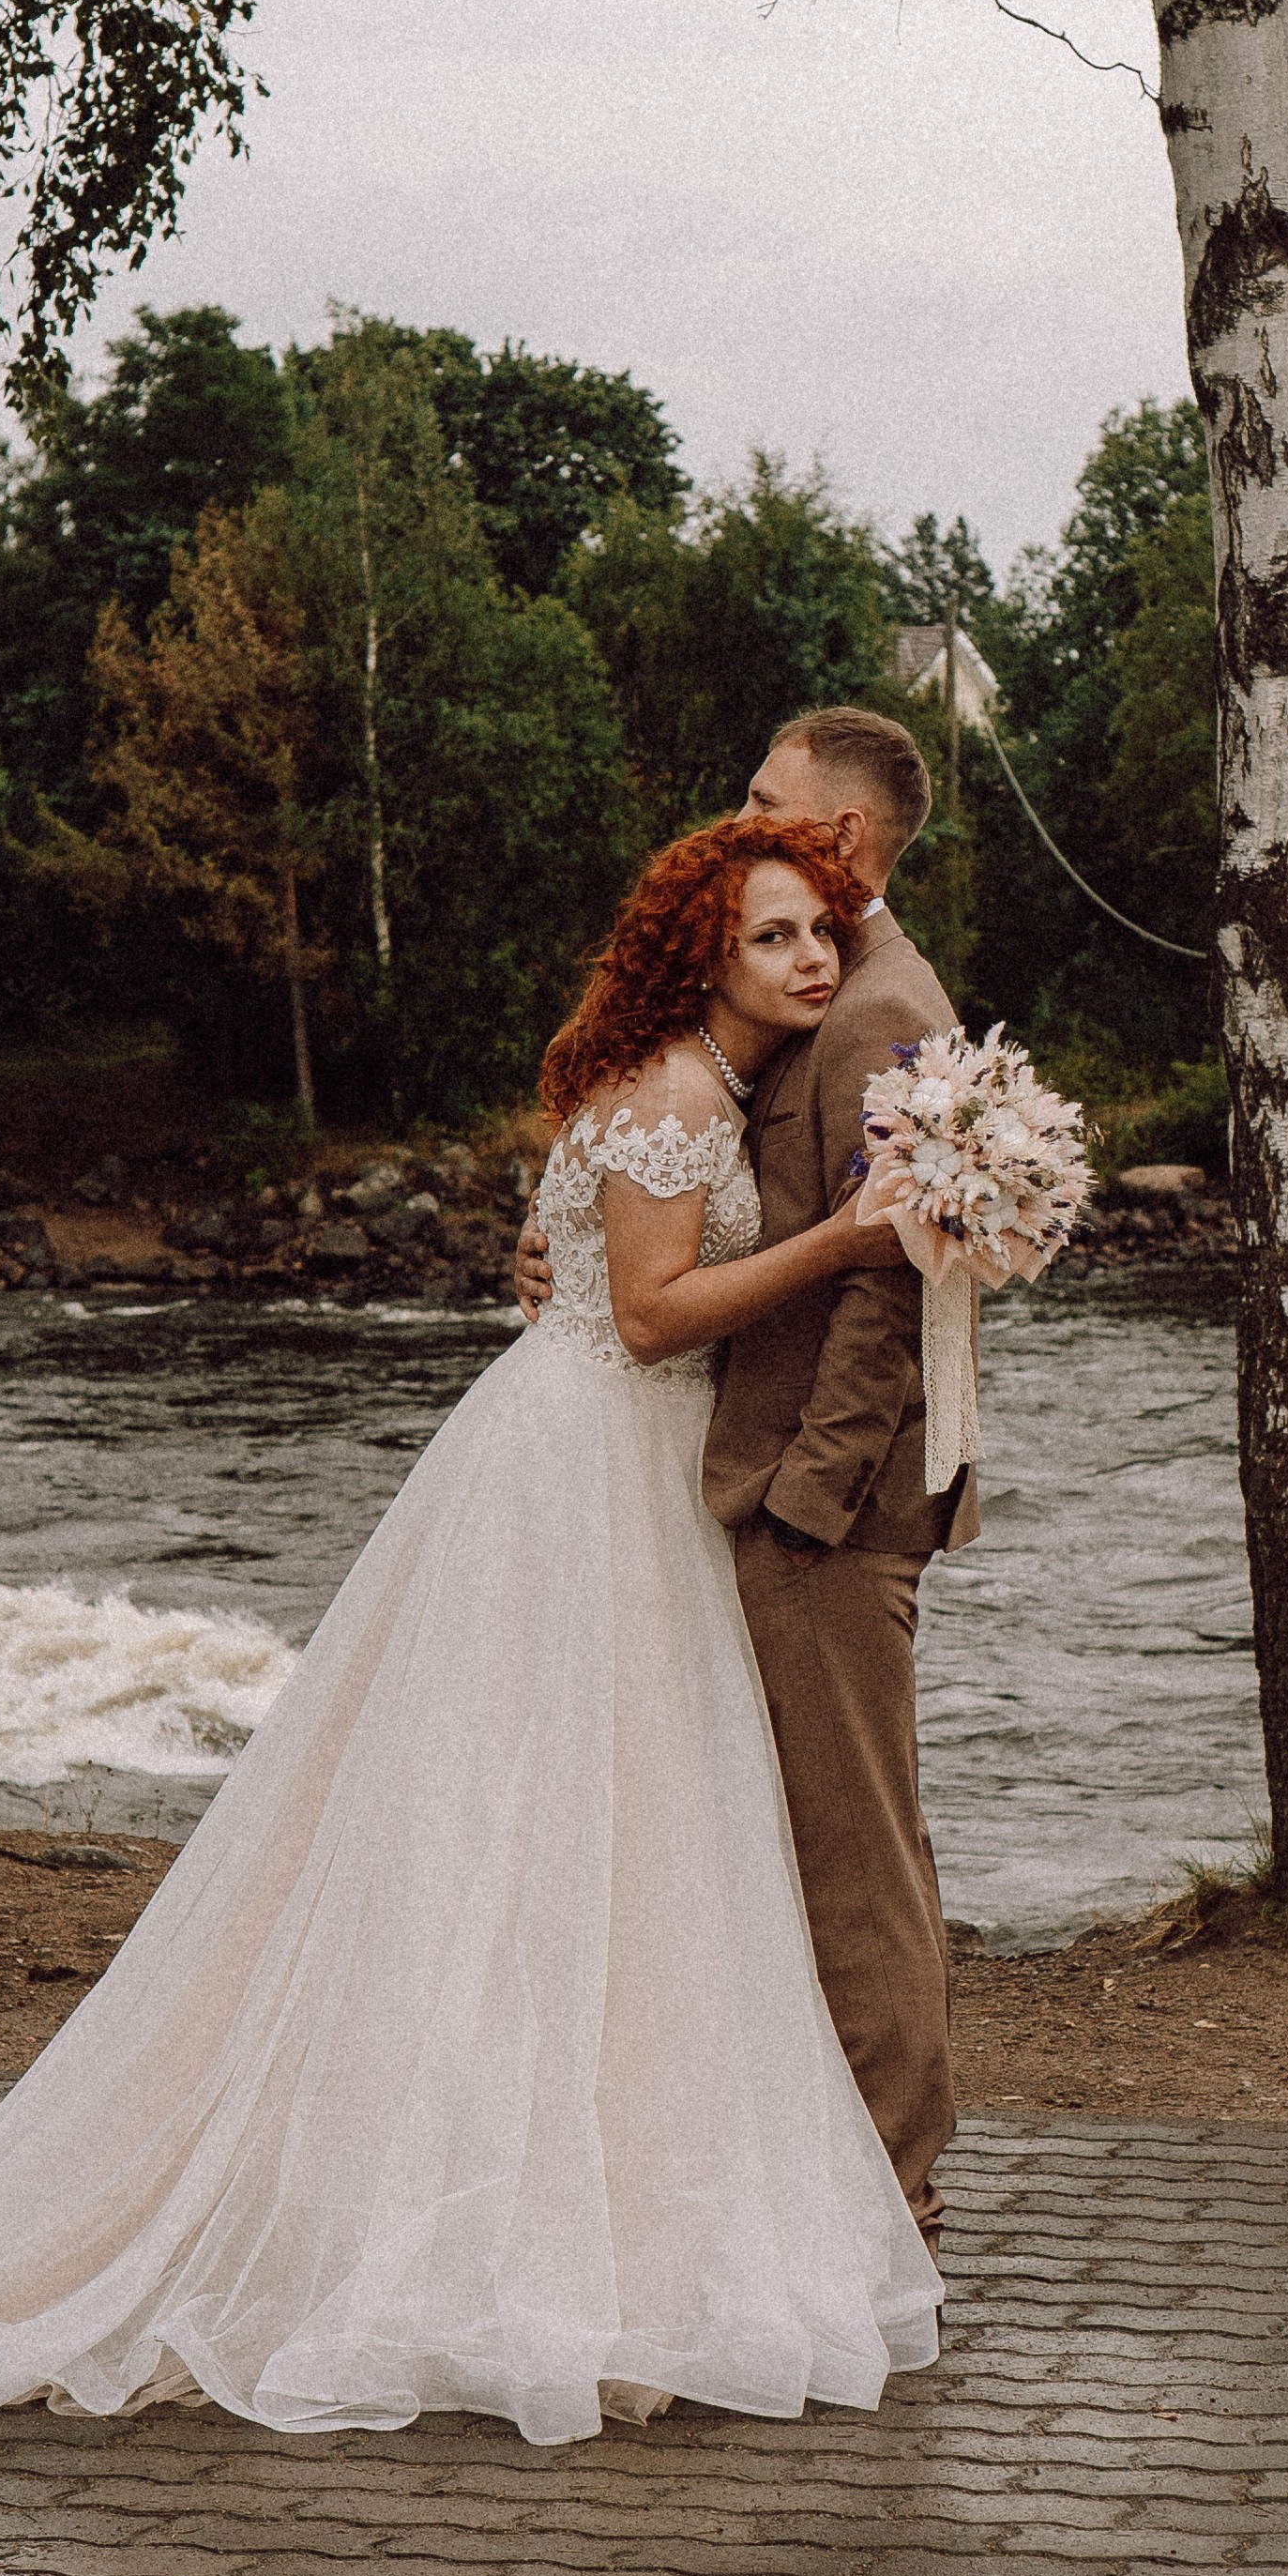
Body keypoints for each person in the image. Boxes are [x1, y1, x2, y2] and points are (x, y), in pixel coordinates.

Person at [0, 818, 940, 2444]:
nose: (811, 961)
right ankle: (492, 2208)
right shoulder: (684, 1094)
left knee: (597, 1834)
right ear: (705, 954)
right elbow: (641, 1318)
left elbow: (570, 1274)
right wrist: (844, 1241)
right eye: (775, 936)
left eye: (820, 935)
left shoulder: (681, 1078)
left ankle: (577, 2175)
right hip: (587, 1475)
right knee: (548, 1825)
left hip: (586, 1463)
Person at [518, 705, 972, 2260]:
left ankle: (893, 2199)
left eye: (766, 798)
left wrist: (807, 1500)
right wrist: (570, 1235)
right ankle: (805, 2177)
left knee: (857, 1863)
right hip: (717, 1471)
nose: (740, 812)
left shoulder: (879, 1013)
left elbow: (894, 1288)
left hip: (816, 1505)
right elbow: (687, 1198)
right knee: (754, 1841)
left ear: (840, 839)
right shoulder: (802, 1004)